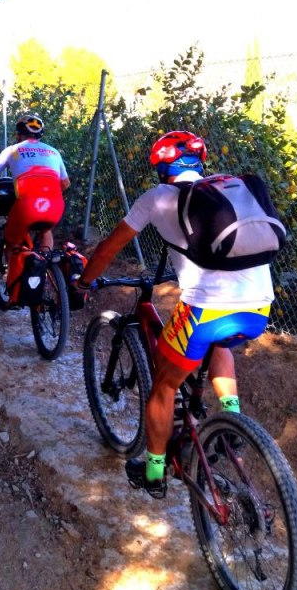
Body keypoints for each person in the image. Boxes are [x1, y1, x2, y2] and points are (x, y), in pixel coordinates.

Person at [74, 130, 274, 497]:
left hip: (205, 310)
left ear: (162, 168)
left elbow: (107, 249)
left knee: (164, 385)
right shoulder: (227, 188)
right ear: (200, 162)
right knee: (219, 344)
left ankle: (154, 472)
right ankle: (232, 421)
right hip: (259, 306)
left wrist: (85, 282)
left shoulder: (157, 197)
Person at [0, 114, 71, 304]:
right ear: (40, 135)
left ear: (18, 135)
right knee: (45, 231)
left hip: (26, 205)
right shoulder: (53, 151)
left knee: (12, 243)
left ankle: (14, 294)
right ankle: (43, 274)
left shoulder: (12, 151)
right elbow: (65, 183)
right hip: (55, 204)